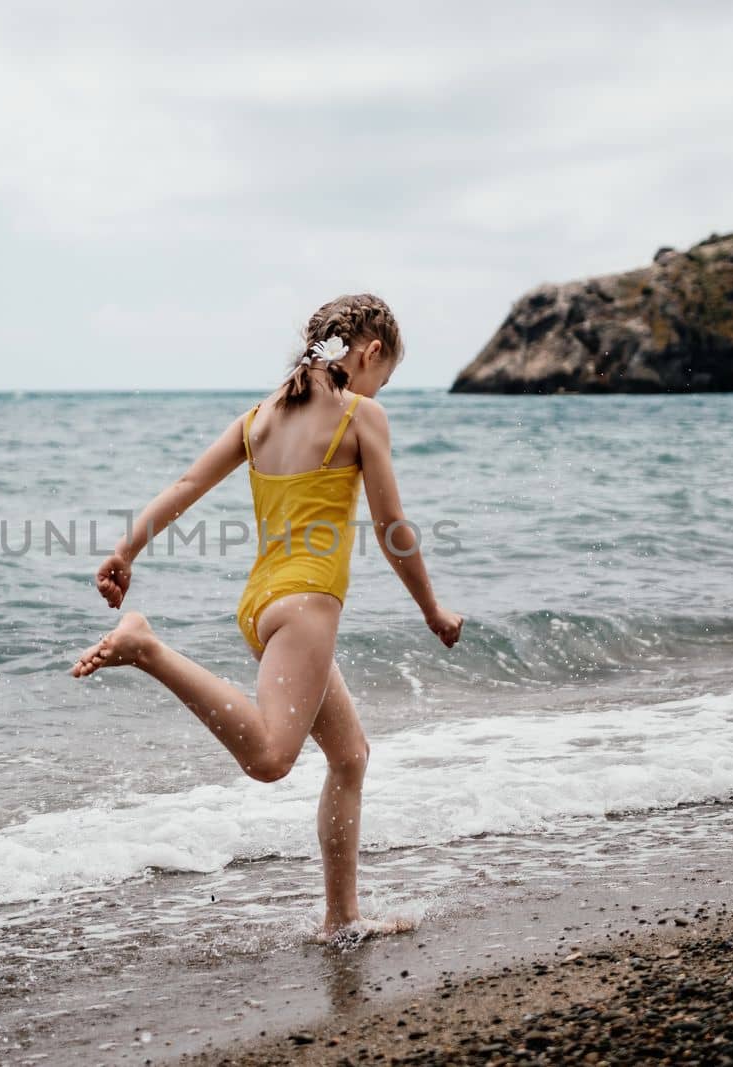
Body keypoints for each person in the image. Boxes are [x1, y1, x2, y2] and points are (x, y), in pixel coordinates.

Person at [71, 293, 463, 944]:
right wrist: (431, 607)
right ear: (368, 354)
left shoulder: (259, 417)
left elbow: (184, 487)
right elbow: (393, 527)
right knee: (272, 757)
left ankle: (341, 919)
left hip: (261, 606)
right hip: (306, 607)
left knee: (349, 755)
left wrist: (125, 550)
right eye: (383, 375)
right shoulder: (362, 416)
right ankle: (146, 647)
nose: (380, 387)